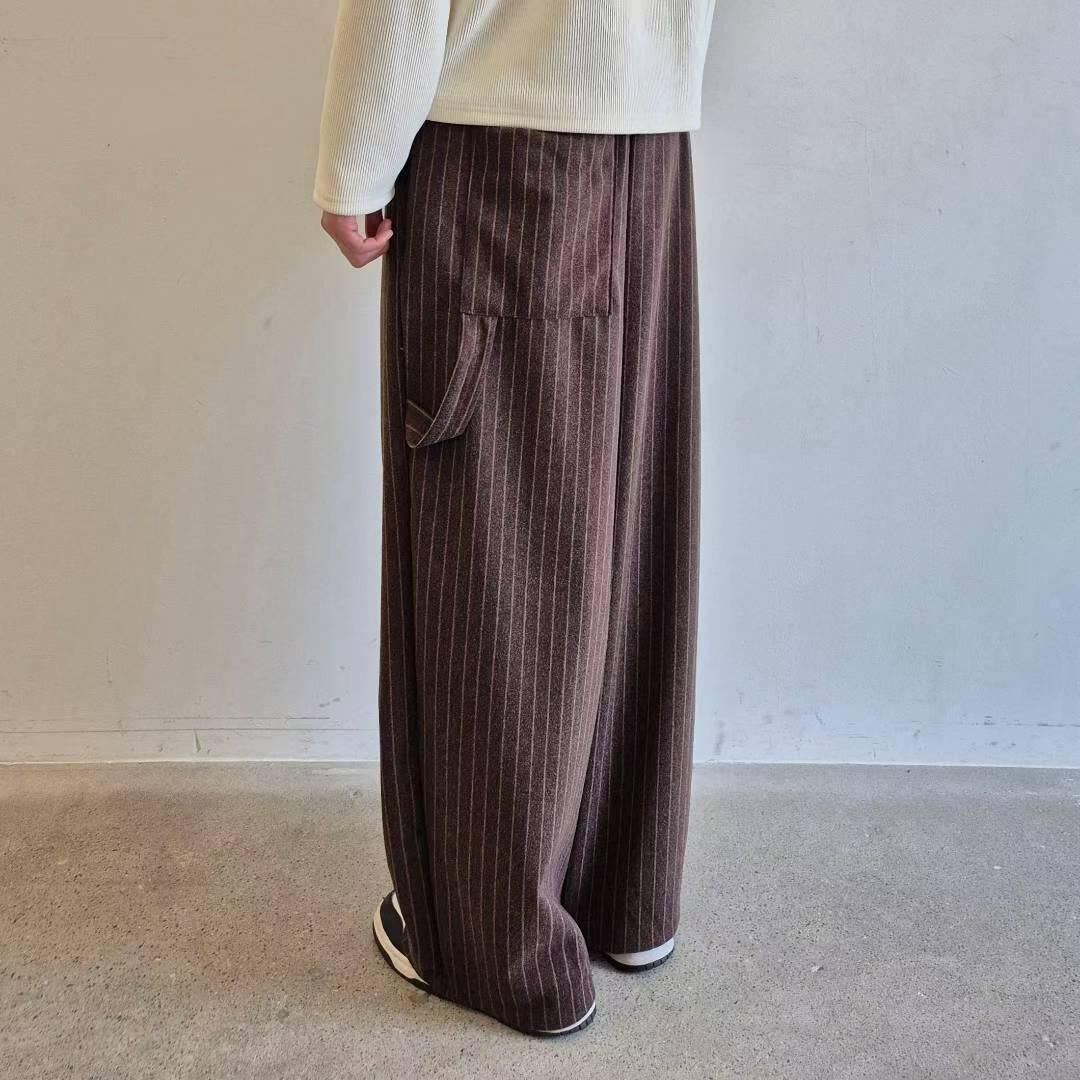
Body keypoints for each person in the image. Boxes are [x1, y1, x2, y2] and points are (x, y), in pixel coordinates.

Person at [313, 0, 715, 1037]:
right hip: (651, 145)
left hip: (500, 147)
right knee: (626, 510)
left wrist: (355, 163)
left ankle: (496, 943)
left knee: (494, 533)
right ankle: (625, 896)